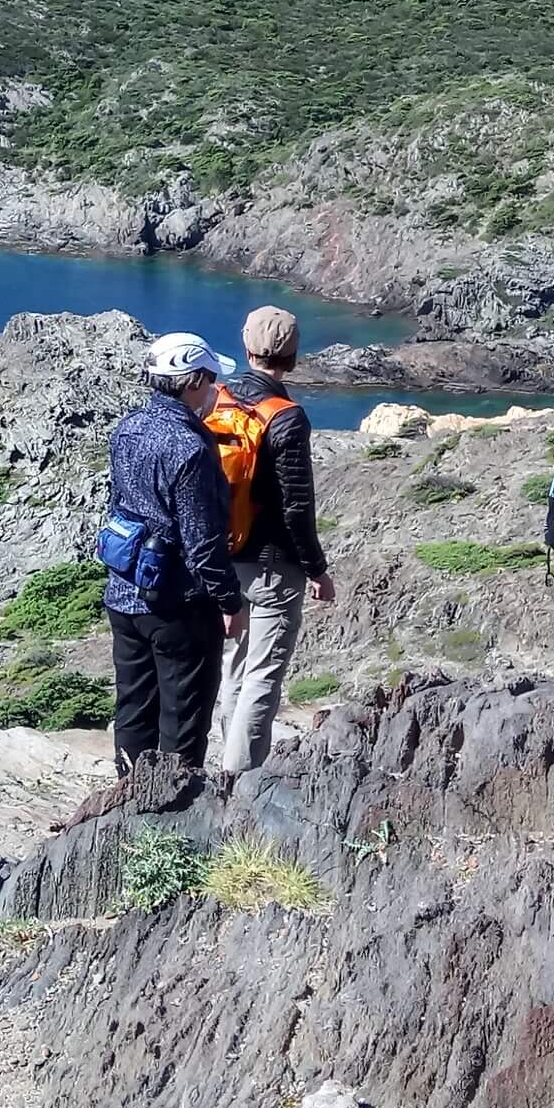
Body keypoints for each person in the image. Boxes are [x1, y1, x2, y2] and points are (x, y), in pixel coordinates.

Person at [104, 332, 248, 773]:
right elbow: (203, 543)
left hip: (125, 590)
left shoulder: (126, 428)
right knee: (182, 720)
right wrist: (231, 602)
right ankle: (170, 817)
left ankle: (127, 797)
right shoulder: (190, 446)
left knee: (133, 707)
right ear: (193, 382)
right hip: (178, 605)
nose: (215, 392)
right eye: (211, 381)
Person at [209, 307, 336, 774]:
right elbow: (297, 507)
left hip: (223, 558)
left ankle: (227, 759)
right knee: (262, 675)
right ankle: (240, 779)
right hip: (273, 565)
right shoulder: (286, 418)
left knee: (234, 668)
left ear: (246, 348)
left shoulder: (216, 399)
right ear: (293, 356)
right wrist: (317, 569)